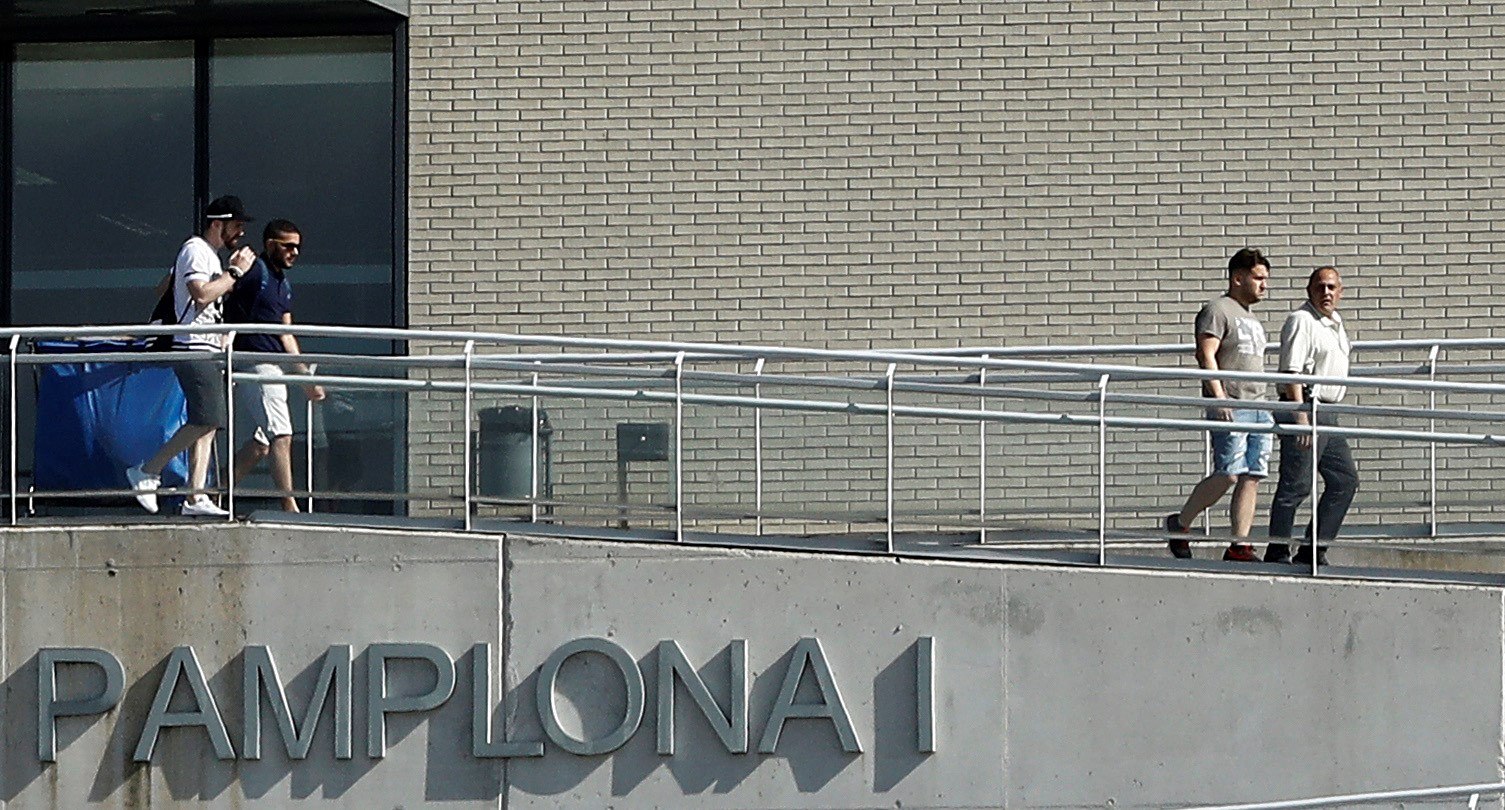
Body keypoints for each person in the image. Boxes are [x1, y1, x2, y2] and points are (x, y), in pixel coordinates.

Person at [127, 195, 256, 516]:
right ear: (217, 223)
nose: (240, 233)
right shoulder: (197, 249)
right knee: (209, 417)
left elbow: (166, 289)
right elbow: (200, 295)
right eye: (236, 226)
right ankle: (147, 470)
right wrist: (235, 274)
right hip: (192, 346)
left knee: (209, 425)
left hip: (209, 348)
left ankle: (195, 497)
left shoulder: (208, 255)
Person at [1164, 248, 1273, 561]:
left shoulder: (1252, 317)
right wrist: (1218, 394)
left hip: (1260, 405)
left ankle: (1240, 545)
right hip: (1232, 403)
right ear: (1238, 278)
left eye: (1266, 279)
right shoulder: (1217, 309)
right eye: (1258, 278)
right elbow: (1206, 354)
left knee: (1253, 474)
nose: (1264, 285)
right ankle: (1180, 524)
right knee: (1229, 473)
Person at [225, 219, 325, 512]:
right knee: (281, 434)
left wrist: (305, 378)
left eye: (297, 247)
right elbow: (222, 292)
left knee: (261, 445)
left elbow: (286, 332)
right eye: (288, 246)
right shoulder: (256, 270)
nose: (294, 252)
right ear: (271, 245)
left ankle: (216, 490)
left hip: (275, 366)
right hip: (256, 364)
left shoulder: (282, 283)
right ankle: (290, 505)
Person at [1264, 267, 1357, 566]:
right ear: (1309, 291)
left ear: (1340, 292)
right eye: (1320, 287)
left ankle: (1313, 549)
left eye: (1331, 287)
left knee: (1344, 480)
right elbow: (1290, 371)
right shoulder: (1302, 320)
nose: (1326, 292)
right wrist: (1300, 415)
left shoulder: (1335, 324)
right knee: (1297, 483)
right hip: (1304, 406)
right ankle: (1277, 550)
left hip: (1328, 411)